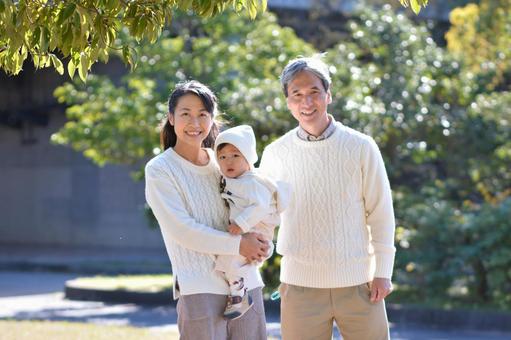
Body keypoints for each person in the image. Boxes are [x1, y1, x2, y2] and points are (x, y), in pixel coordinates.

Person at [259, 55, 396, 340]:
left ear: (328, 95)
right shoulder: (275, 153)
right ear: (287, 101)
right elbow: (264, 214)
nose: (306, 102)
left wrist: (383, 271)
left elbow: (380, 212)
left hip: (360, 283)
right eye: (297, 95)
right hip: (299, 286)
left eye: (314, 93)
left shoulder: (361, 146)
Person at [145, 80, 269, 340]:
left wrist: (260, 243)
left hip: (246, 283)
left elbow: (256, 201)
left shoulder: (224, 162)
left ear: (213, 120)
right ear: (171, 118)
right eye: (185, 114)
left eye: (203, 114)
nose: (195, 123)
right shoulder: (160, 169)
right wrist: (239, 245)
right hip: (200, 289)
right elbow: (183, 231)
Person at [213, 125, 289, 320]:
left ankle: (239, 296)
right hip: (251, 229)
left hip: (257, 227)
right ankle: (239, 291)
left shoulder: (252, 182)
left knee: (232, 261)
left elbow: (260, 206)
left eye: (235, 156)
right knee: (232, 261)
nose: (228, 161)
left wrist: (241, 224)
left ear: (248, 158)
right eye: (222, 157)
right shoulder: (234, 179)